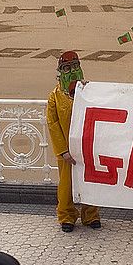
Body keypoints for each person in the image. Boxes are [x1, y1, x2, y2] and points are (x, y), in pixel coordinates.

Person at [46, 51, 101, 232]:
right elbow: (53, 124)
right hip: (67, 151)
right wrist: (63, 151)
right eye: (67, 68)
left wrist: (87, 91)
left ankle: (91, 215)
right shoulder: (55, 96)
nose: (72, 71)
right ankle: (67, 216)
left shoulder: (89, 91)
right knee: (66, 185)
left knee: (90, 182)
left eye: (76, 67)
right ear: (61, 72)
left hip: (87, 147)